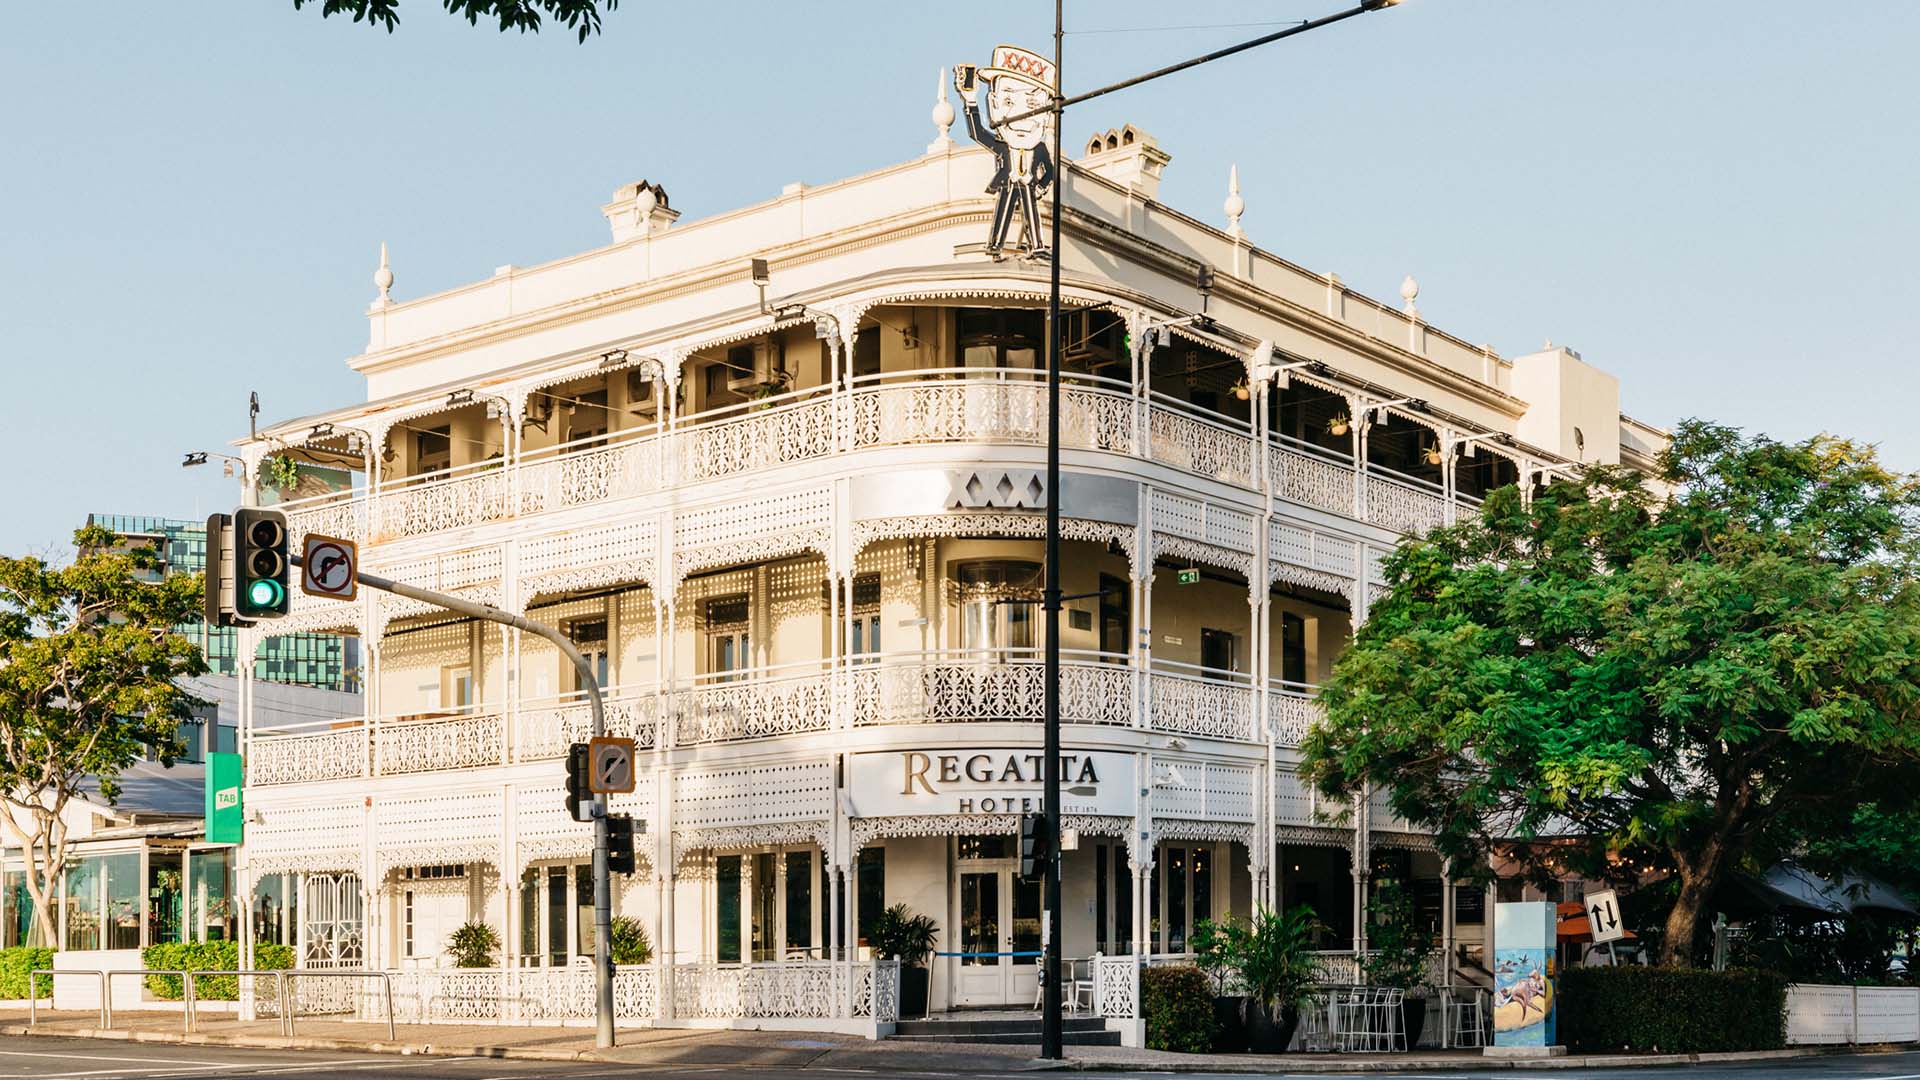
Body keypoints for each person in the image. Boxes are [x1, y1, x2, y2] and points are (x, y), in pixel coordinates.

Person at [955, 46, 1057, 260]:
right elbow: (977, 133)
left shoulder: (1038, 147)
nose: (1020, 117)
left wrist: (1038, 187)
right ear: (993, 104)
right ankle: (995, 244)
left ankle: (1036, 245)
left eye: (1032, 104)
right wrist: (970, 101)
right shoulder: (1002, 145)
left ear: (1046, 114)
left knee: (1030, 208)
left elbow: (1049, 171)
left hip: (1027, 184)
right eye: (1009, 102)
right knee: (1004, 208)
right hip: (1008, 182)